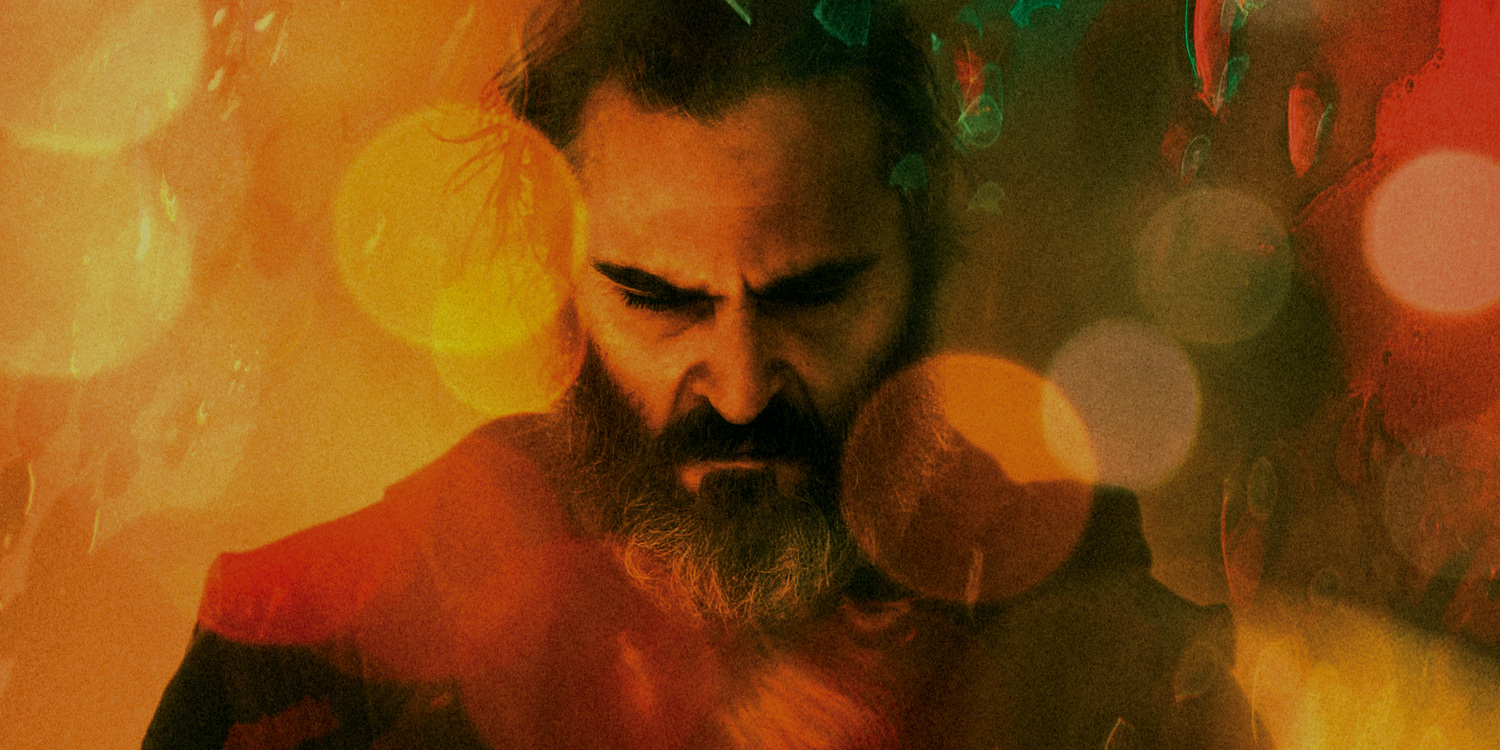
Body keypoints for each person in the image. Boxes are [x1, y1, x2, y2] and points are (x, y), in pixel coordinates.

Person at [144, 1, 1262, 747]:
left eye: (813, 295)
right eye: (658, 299)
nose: (738, 389)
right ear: (558, 283)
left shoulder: (1110, 662)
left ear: (924, 260)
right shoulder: (298, 673)